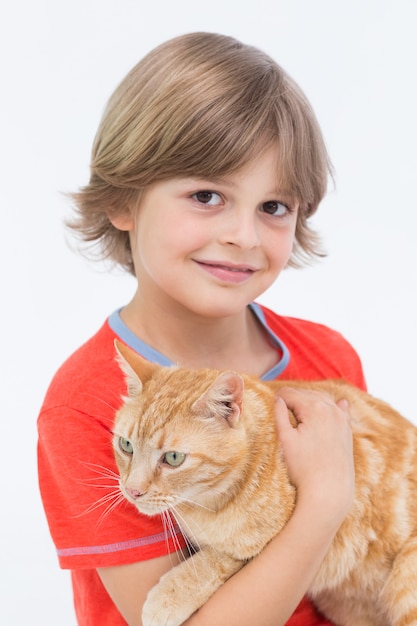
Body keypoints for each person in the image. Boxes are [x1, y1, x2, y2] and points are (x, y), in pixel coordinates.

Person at [37, 32, 365, 626]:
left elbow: (365, 565)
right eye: (207, 195)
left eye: (274, 207)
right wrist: (322, 501)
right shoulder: (88, 404)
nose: (243, 235)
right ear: (123, 202)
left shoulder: (329, 357)